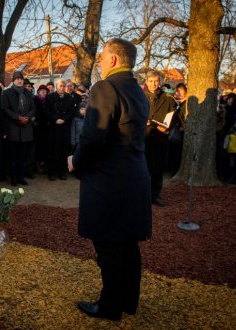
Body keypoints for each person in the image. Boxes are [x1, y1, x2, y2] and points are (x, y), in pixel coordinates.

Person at [68, 38, 151, 321]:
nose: (100, 63)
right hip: (134, 177)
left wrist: (75, 162)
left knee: (108, 246)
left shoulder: (105, 87)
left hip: (109, 182)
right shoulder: (138, 91)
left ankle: (110, 306)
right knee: (127, 245)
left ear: (113, 60)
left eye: (102, 58)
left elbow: (92, 138)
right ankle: (128, 300)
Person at [143, 70, 177, 207]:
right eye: (150, 81)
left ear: (160, 82)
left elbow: (174, 116)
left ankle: (155, 195)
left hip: (160, 138)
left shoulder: (168, 99)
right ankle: (143, 195)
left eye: (156, 81)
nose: (153, 84)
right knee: (143, 169)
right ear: (146, 81)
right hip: (143, 137)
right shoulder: (140, 97)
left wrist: (168, 127)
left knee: (157, 169)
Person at [2, 71, 36, 186]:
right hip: (13, 128)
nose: (19, 80)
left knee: (23, 156)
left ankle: (21, 177)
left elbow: (33, 108)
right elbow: (5, 109)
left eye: (21, 78)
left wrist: (27, 118)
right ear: (13, 81)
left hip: (26, 128)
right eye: (17, 79)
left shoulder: (28, 93)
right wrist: (17, 117)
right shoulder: (7, 93)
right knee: (13, 156)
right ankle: (14, 178)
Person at [46, 79, 73, 180]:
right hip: (53, 127)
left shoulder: (69, 98)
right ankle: (52, 172)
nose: (62, 88)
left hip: (64, 127)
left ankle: (62, 171)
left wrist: (64, 119)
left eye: (63, 86)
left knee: (63, 150)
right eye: (60, 86)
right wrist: (55, 119)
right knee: (52, 150)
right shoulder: (50, 97)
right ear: (56, 86)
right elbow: (47, 111)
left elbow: (71, 112)